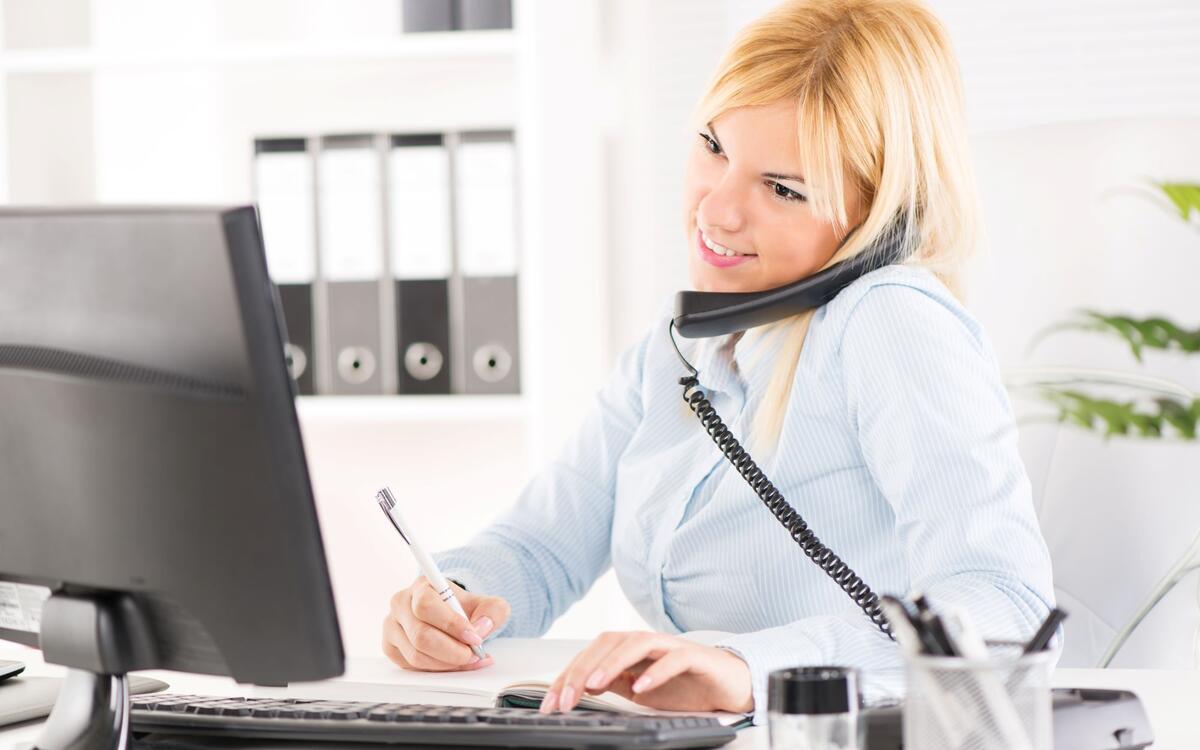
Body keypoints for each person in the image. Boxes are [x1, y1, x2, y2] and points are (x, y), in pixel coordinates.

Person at [381, 0, 1056, 724]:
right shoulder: (682, 344)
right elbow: (542, 545)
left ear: (878, 214)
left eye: (784, 188)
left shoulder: (889, 321)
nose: (718, 211)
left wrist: (747, 670)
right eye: (714, 147)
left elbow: (1003, 606)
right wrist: (454, 599)